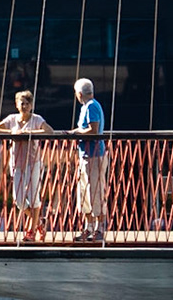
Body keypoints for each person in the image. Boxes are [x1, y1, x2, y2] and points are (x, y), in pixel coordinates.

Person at [0, 90, 54, 241]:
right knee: (18, 199)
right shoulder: (12, 119)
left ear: (31, 105)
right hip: (16, 163)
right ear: (16, 105)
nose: (24, 106)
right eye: (21, 103)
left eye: (27, 103)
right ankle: (39, 223)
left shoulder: (37, 119)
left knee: (34, 197)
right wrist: (12, 132)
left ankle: (31, 231)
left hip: (33, 163)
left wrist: (30, 134)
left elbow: (49, 131)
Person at [69, 77, 107, 243]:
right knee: (84, 192)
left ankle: (98, 228)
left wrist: (75, 133)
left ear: (79, 93)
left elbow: (93, 130)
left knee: (94, 191)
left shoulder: (91, 106)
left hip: (93, 154)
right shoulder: (88, 106)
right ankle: (89, 227)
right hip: (86, 154)